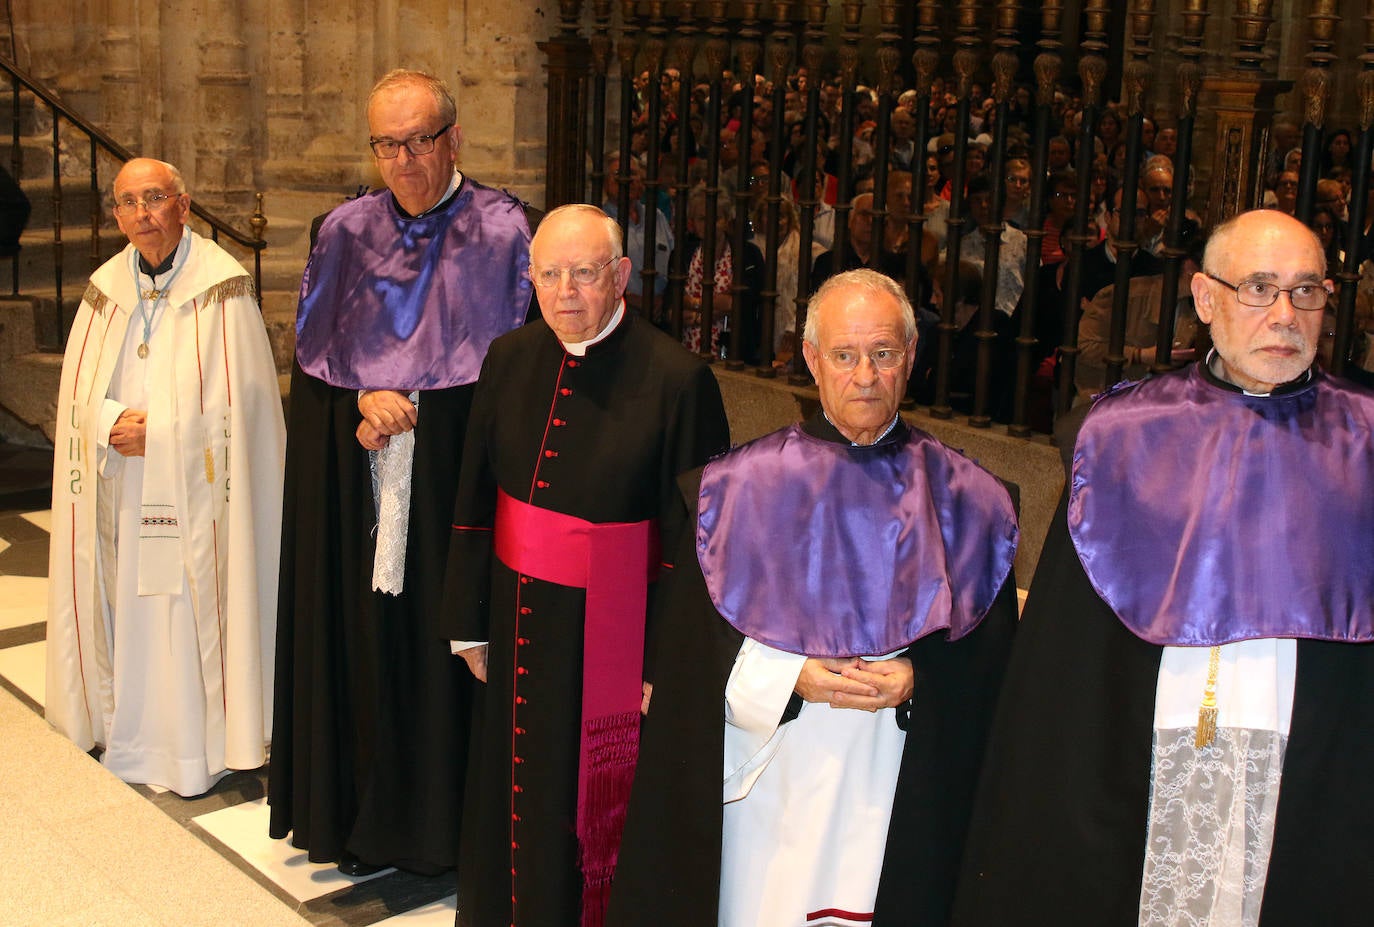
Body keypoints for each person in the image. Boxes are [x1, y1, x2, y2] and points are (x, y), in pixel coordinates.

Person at [952, 209, 1374, 926]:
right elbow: (1066, 671)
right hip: (1142, 764)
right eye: (1260, 287)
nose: (1285, 313)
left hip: (1313, 777)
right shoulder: (1122, 437)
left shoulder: (1364, 439)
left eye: (1306, 291)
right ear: (1206, 298)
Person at [608, 268, 1019, 927]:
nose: (864, 376)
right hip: (771, 781)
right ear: (810, 360)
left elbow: (996, 667)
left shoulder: (972, 501)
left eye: (883, 354)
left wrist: (921, 678)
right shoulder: (732, 492)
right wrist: (788, 675)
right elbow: (691, 658)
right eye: (845, 355)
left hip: (899, 779)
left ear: (910, 358)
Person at [269, 68, 533, 876]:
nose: (405, 160)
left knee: (444, 649)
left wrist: (420, 400)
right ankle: (353, 817)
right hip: (360, 490)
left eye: (420, 140)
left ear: (454, 138)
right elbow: (315, 371)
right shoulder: (343, 230)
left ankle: (449, 829)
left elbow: (517, 377)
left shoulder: (508, 232)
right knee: (361, 645)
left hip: (455, 484)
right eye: (388, 144)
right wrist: (360, 397)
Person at [443, 204, 730, 927]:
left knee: (592, 816)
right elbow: (477, 498)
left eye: (584, 273)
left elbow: (696, 542)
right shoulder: (509, 357)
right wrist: (467, 619)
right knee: (513, 792)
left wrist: (664, 663)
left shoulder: (678, 379)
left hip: (613, 636)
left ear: (622, 276)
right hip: (513, 615)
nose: (565, 291)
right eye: (549, 274)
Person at [46, 158, 284, 797]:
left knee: (185, 612)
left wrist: (166, 434)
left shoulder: (223, 289)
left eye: (154, 198)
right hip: (122, 484)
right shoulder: (105, 290)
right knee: (128, 605)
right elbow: (74, 396)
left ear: (183, 204)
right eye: (128, 202)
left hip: (196, 497)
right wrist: (111, 422)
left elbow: (246, 408)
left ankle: (196, 744)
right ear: (116, 215)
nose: (142, 213)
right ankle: (127, 730)